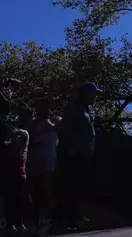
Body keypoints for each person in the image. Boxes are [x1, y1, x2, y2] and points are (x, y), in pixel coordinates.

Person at [54, 82, 102, 230]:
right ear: (86, 93)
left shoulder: (86, 110)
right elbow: (66, 131)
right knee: (70, 188)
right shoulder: (73, 108)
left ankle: (71, 216)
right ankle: (65, 220)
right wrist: (70, 152)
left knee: (78, 188)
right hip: (74, 157)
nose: (95, 97)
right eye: (94, 93)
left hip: (84, 156)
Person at [26, 99, 60, 237]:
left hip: (48, 166)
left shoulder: (55, 123)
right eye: (41, 107)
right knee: (33, 196)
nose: (44, 110)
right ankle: (33, 223)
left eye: (46, 107)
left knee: (47, 194)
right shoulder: (31, 125)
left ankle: (46, 222)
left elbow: (59, 127)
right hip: (33, 166)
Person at [0, 79, 30, 234]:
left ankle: (15, 222)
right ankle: (10, 222)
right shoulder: (7, 128)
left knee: (14, 195)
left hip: (10, 165)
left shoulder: (11, 129)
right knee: (10, 194)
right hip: (7, 164)